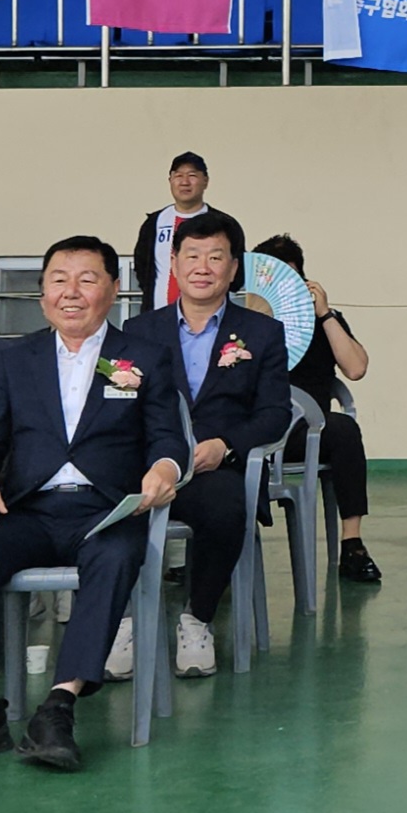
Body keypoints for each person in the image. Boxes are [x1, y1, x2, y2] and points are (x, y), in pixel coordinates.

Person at [0, 236, 187, 774]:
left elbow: (167, 438)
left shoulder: (145, 358)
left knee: (114, 559)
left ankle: (58, 707)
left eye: (87, 279)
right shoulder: (14, 359)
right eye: (58, 280)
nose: (72, 292)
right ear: (42, 294)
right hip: (31, 509)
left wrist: (165, 469)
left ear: (113, 291)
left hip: (108, 508)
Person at [117, 214, 284, 680]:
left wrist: (226, 445)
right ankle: (121, 621)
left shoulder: (262, 333)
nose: (203, 266)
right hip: (149, 464)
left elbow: (274, 413)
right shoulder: (136, 331)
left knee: (229, 507)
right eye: (192, 255)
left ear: (234, 269)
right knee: (102, 497)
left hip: (213, 468)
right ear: (173, 263)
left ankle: (197, 618)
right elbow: (116, 404)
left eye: (216, 257)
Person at [254, 234, 379, 584]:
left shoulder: (324, 321)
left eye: (291, 277)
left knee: (344, 429)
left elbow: (355, 369)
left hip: (307, 431)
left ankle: (352, 543)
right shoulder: (244, 319)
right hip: (253, 428)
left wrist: (324, 313)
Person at [133, 153, 242, 313]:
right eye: (178, 176)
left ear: (205, 181)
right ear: (170, 180)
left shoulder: (224, 224)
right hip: (158, 318)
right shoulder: (154, 223)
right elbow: (142, 268)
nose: (185, 182)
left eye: (192, 175)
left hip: (210, 318)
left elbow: (237, 275)